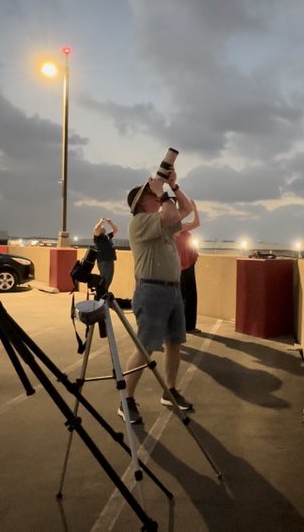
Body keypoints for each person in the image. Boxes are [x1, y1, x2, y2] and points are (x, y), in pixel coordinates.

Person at [119, 168, 194, 425]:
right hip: (151, 290)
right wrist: (162, 193)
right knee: (146, 346)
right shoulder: (140, 221)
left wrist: (174, 187)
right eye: (152, 195)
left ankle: (169, 390)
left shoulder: (160, 220)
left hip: (172, 289)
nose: (157, 197)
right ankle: (125, 399)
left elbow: (187, 209)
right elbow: (172, 212)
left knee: (174, 342)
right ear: (142, 202)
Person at [173, 200, 201, 333]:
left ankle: (185, 325)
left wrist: (192, 208)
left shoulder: (175, 225)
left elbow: (195, 223)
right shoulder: (175, 226)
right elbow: (196, 223)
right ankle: (187, 326)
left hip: (185, 263)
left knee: (185, 295)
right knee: (188, 296)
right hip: (184, 264)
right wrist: (193, 208)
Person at [92, 217, 118, 296]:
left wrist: (110, 222)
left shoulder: (107, 236)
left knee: (108, 279)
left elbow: (115, 230)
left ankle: (103, 294)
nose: (102, 228)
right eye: (101, 228)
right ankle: (101, 295)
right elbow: (96, 229)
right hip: (103, 261)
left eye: (103, 227)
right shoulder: (97, 237)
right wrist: (100, 222)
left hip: (109, 260)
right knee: (104, 279)